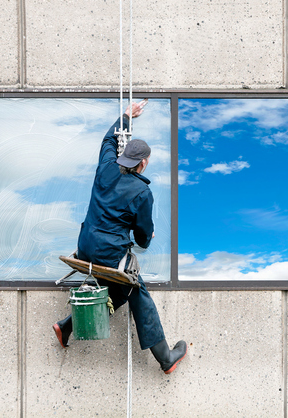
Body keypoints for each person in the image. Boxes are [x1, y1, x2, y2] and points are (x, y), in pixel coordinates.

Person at [53, 101, 187, 375]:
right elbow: (143, 237)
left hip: (85, 247)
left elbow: (108, 139)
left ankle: (67, 326)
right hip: (107, 253)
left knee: (120, 291)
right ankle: (165, 358)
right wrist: (147, 236)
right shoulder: (141, 192)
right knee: (138, 290)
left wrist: (126, 116)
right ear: (144, 163)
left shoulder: (105, 167)